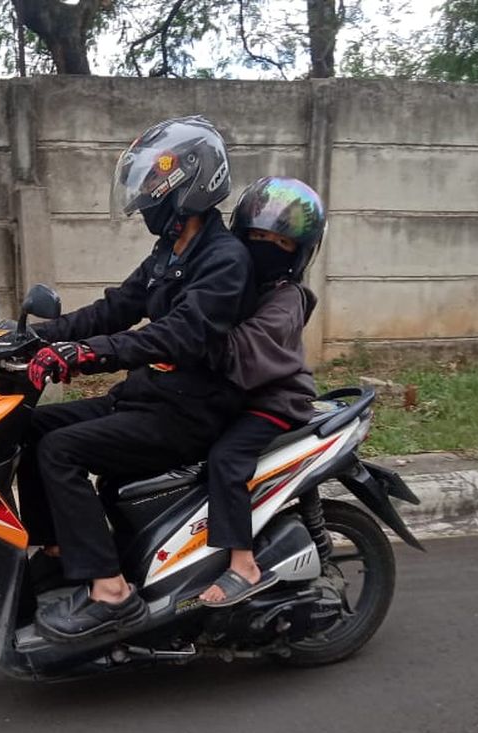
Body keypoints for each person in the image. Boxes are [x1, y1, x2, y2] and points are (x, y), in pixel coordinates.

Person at [18, 116, 255, 641]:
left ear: (189, 181)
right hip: (148, 398)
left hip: (188, 414)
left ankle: (111, 593)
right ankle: (59, 553)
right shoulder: (170, 251)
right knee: (30, 430)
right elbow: (116, 308)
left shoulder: (224, 260)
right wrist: (35, 338)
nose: (146, 193)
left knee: (61, 451)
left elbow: (172, 336)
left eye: (155, 181)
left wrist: (81, 356)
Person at [198, 176, 327, 607]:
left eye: (280, 241)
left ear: (299, 252)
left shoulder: (287, 298)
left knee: (226, 459)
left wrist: (185, 341)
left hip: (274, 401)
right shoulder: (239, 284)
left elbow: (243, 350)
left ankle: (242, 563)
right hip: (236, 395)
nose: (265, 247)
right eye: (256, 236)